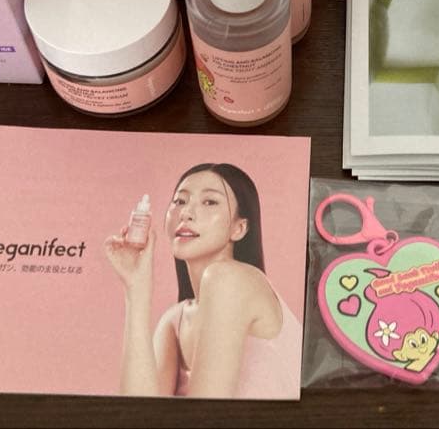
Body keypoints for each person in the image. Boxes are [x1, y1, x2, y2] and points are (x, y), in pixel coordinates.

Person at [104, 163, 301, 398]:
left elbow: (205, 413)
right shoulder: (174, 321)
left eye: (209, 202)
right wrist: (135, 288)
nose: (186, 213)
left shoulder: (231, 280)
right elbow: (137, 412)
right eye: (180, 201)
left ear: (239, 228)